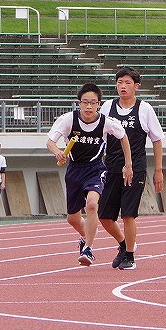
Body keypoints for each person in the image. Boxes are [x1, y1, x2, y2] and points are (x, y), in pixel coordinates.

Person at [47, 83, 132, 266]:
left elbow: (123, 136)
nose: (89, 107)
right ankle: (89, 239)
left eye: (93, 103)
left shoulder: (105, 122)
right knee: (72, 218)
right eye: (85, 102)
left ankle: (88, 249)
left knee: (92, 205)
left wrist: (128, 163)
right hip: (74, 170)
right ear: (79, 103)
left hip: (95, 169)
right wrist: (57, 152)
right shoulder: (68, 119)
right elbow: (50, 141)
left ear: (98, 104)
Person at [97, 66, 165, 271]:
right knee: (105, 216)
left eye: (127, 83)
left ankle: (130, 256)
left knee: (128, 214)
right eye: (119, 83)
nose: (123, 86)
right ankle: (123, 244)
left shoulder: (145, 109)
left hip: (136, 169)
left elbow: (157, 139)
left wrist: (158, 170)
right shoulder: (107, 107)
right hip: (111, 168)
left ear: (136, 86)